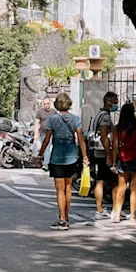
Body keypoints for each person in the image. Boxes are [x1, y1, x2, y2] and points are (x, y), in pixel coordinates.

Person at [37, 92, 89, 230]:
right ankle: (66, 216)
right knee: (68, 188)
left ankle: (62, 219)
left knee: (59, 189)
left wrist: (40, 155)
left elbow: (47, 139)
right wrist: (84, 157)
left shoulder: (53, 120)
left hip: (57, 156)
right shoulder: (75, 119)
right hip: (72, 154)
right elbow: (81, 139)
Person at [112, 103, 136, 223]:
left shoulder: (118, 128)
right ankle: (132, 216)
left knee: (121, 188)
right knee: (135, 190)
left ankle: (117, 214)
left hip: (123, 159)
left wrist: (114, 162)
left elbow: (115, 146)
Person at [88, 91, 118, 219]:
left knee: (101, 180)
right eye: (115, 101)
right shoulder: (105, 116)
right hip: (102, 153)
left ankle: (100, 209)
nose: (117, 104)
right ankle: (110, 209)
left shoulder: (99, 114)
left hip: (97, 152)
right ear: (108, 102)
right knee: (111, 181)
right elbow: (104, 137)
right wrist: (109, 154)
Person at [33, 97, 55, 170]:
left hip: (51, 134)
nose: (46, 105)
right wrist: (36, 133)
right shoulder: (40, 112)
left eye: (47, 103)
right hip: (42, 133)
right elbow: (37, 122)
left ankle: (46, 164)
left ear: (50, 104)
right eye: (45, 104)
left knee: (47, 148)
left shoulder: (53, 112)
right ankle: (44, 163)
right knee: (43, 148)